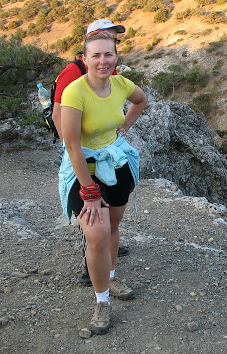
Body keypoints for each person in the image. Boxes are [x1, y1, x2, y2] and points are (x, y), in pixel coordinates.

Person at [58, 27, 147, 335]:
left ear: (116, 57)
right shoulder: (75, 92)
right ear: (85, 59)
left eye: (108, 54)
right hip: (84, 168)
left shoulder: (121, 84)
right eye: (95, 55)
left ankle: (110, 277)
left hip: (115, 163)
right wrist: (90, 191)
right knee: (96, 234)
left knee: (113, 226)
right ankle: (102, 300)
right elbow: (72, 145)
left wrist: (125, 127)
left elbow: (140, 100)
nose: (102, 61)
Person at [51, 19, 129, 287]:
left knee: (107, 224)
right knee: (93, 225)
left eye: (114, 40)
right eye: (105, 36)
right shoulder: (73, 73)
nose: (112, 41)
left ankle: (105, 258)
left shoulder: (111, 72)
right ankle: (91, 269)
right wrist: (71, 148)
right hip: (82, 155)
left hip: (107, 155)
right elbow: (58, 113)